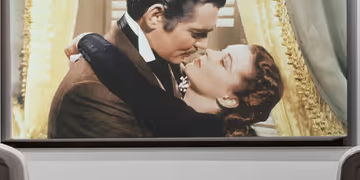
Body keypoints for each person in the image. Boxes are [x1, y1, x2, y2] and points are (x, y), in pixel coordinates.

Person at [47, 0, 227, 139]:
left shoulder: (168, 59)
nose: (204, 46)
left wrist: (87, 41)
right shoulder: (92, 93)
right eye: (197, 33)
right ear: (155, 17)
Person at [71, 35, 284, 136]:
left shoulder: (203, 129)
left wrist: (85, 39)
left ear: (228, 98)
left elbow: (129, 82)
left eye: (224, 62)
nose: (210, 52)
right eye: (222, 50)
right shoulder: (174, 80)